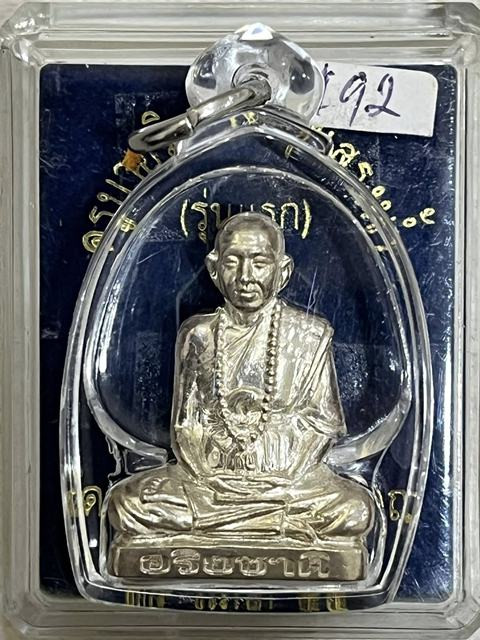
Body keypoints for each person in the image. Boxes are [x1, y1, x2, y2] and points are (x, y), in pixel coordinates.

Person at [106, 212, 374, 573]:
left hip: (287, 485)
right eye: (233, 262)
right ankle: (273, 526)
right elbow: (185, 427)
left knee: (354, 509)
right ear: (214, 269)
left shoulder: (310, 335)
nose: (246, 276)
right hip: (210, 485)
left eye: (260, 263)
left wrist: (273, 469)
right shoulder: (198, 335)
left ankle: (229, 525)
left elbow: (322, 425)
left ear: (283, 271)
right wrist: (216, 467)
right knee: (126, 503)